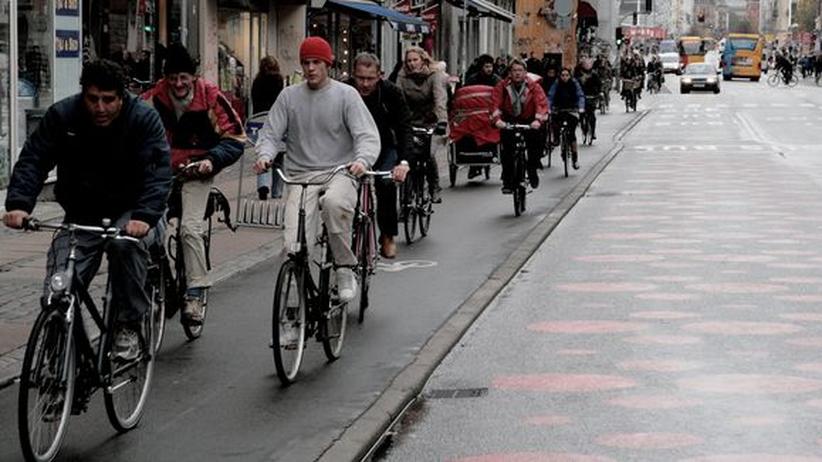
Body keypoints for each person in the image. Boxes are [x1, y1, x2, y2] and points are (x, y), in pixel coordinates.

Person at [3, 59, 172, 360]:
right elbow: (34, 159)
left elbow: (158, 173)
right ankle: (63, 351)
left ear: (122, 96)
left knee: (125, 247)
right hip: (83, 213)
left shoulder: (143, 119)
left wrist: (144, 218)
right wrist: (18, 204)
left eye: (108, 100)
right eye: (93, 99)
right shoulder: (63, 116)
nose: (100, 107)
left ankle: (128, 325)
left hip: (133, 211)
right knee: (58, 288)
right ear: (83, 94)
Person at [253, 37, 380, 302]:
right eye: (306, 63)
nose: (310, 68)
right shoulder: (289, 96)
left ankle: (345, 267)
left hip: (339, 172)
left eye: (316, 62)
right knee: (292, 246)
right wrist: (265, 156)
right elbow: (271, 132)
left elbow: (366, 135)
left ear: (328, 64)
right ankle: (292, 310)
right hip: (300, 177)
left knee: (335, 205)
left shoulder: (346, 95)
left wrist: (362, 161)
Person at [142, 43, 245, 325]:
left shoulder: (211, 96)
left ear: (194, 76)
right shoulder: (152, 99)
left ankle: (195, 294)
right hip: (160, 174)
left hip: (197, 170)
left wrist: (212, 160)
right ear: (165, 78)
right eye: (172, 78)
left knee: (190, 228)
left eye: (184, 78)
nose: (178, 84)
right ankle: (154, 275)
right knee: (144, 226)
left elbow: (236, 138)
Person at [345, 52, 411, 259]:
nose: (364, 84)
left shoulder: (391, 93)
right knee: (344, 186)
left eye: (370, 78)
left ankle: (388, 235)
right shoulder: (344, 90)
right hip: (352, 148)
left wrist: (404, 161)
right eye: (360, 78)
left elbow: (404, 127)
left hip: (384, 147)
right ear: (353, 75)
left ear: (379, 76)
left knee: (385, 184)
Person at [395, 47, 447, 203]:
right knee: (406, 155)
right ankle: (406, 197)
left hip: (431, 120)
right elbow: (397, 99)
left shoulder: (434, 75)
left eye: (415, 60)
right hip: (409, 121)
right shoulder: (402, 76)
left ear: (423, 60)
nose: (411, 64)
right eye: (409, 61)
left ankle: (434, 187)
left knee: (428, 154)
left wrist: (442, 121)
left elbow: (440, 99)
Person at [491, 58, 549, 192]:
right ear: (510, 72)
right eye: (514, 70)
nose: (517, 73)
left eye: (520, 70)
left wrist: (537, 121)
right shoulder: (502, 86)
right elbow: (495, 104)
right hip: (509, 120)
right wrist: (498, 120)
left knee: (536, 144)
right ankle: (507, 181)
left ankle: (532, 169)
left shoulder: (533, 86)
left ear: (525, 72)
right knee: (507, 150)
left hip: (529, 120)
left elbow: (541, 103)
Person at [251, 55, 286, 200]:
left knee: (263, 152)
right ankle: (277, 191)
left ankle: (263, 185)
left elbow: (253, 99)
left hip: (258, 119)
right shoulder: (278, 80)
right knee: (278, 155)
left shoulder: (257, 81)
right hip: (275, 118)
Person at [547, 67, 585, 170]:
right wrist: (549, 108)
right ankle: (556, 139)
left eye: (566, 75)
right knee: (554, 124)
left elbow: (580, 95)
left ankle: (575, 158)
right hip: (559, 109)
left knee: (571, 133)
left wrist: (581, 107)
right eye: (562, 75)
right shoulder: (556, 84)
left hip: (572, 109)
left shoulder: (574, 83)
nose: (564, 77)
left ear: (570, 75)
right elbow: (550, 96)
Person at [574, 60, 602, 141]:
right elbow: (575, 85)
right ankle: (583, 127)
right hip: (582, 96)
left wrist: (599, 92)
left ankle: (592, 132)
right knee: (582, 114)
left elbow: (599, 84)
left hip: (592, 96)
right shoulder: (578, 74)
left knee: (592, 115)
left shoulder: (594, 74)